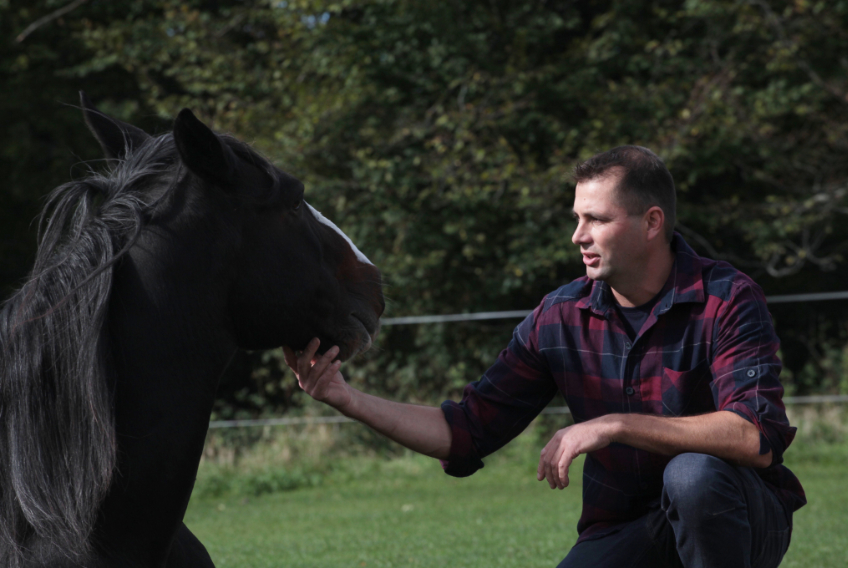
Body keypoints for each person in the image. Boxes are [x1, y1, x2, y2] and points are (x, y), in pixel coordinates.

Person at [284, 146, 805, 568]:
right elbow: (466, 430)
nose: (578, 236)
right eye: (577, 218)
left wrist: (614, 424)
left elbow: (753, 437)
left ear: (651, 222)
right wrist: (345, 398)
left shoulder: (727, 297)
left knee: (692, 476)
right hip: (623, 527)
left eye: (596, 219)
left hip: (737, 519)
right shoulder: (559, 315)